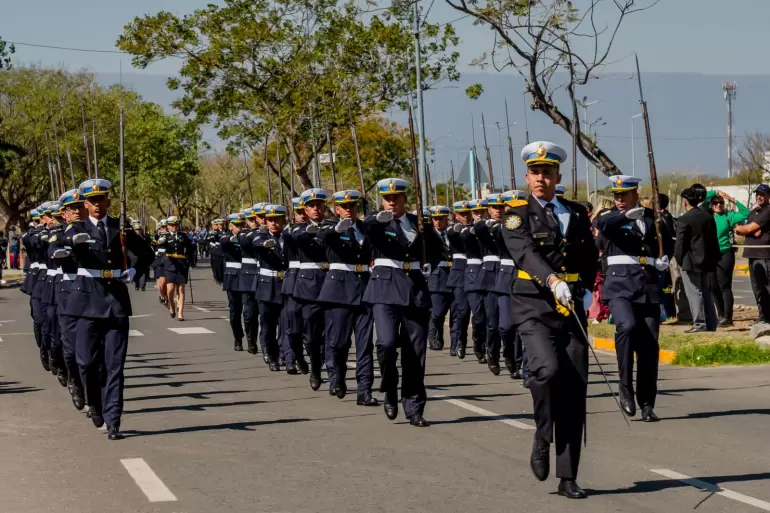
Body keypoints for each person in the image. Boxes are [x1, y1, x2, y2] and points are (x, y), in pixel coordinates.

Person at [501, 141, 598, 499]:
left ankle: (568, 476)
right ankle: (543, 435)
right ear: (527, 177)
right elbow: (525, 253)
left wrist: (587, 289)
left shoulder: (576, 212)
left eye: (547, 172)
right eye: (535, 172)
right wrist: (554, 281)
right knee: (546, 371)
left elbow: (589, 254)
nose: (541, 178)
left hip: (570, 308)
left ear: (558, 177)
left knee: (574, 390)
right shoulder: (516, 215)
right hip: (534, 304)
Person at [63, 178, 153, 440]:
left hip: (115, 300)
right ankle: (95, 403)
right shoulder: (75, 229)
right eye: (92, 201)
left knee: (115, 366)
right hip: (87, 302)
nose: (97, 205)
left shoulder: (120, 228)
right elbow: (61, 248)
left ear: (108, 201)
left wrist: (134, 270)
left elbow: (146, 253)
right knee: (85, 362)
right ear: (85, 204)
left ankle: (113, 420)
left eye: (101, 199)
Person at [595, 175, 672, 422]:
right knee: (626, 326)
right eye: (616, 195)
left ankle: (647, 403)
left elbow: (667, 240)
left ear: (635, 194)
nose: (619, 199)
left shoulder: (652, 217)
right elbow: (603, 225)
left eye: (624, 195)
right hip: (619, 286)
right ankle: (624, 385)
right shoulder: (609, 217)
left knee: (649, 347)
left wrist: (664, 259)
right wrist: (626, 216)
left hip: (647, 286)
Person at [363, 178, 430, 427]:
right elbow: (366, 228)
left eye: (396, 197)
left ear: (404, 198)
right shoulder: (376, 222)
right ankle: (390, 386)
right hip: (385, 289)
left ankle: (414, 408)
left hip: (415, 290)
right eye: (387, 198)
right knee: (386, 343)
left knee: (415, 354)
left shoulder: (417, 222)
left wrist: (429, 265)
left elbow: (436, 248)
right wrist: (376, 220)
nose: (391, 202)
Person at [317, 190, 378, 405]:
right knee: (339, 342)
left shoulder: (365, 228)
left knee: (365, 345)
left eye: (352, 206)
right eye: (344, 207)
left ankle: (364, 390)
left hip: (364, 289)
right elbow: (324, 237)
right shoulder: (330, 227)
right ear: (337, 209)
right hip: (339, 292)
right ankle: (337, 376)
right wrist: (337, 229)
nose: (349, 210)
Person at [289, 188, 335, 391]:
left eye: (319, 205)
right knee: (312, 335)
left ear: (324, 207)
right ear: (305, 210)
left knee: (334, 334)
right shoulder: (297, 230)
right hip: (309, 287)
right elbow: (297, 238)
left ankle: (334, 375)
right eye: (311, 206)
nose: (316, 209)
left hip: (332, 283)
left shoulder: (333, 226)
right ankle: (316, 368)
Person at [675, 186, 720, 333]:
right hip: (707, 260)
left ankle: (700, 323)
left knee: (694, 292)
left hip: (690, 261)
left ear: (685, 202)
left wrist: (680, 259)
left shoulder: (684, 219)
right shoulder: (708, 216)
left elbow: (680, 244)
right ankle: (711, 322)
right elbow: (713, 240)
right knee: (706, 292)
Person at [701, 190, 749, 326]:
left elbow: (746, 213)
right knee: (713, 286)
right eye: (715, 203)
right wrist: (715, 192)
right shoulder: (707, 215)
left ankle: (728, 317)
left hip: (725, 253)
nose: (718, 205)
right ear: (711, 204)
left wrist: (731, 199)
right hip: (711, 255)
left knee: (724, 285)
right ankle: (721, 314)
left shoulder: (729, 216)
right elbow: (702, 201)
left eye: (721, 202)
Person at [252, 204, 289, 372]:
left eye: (277, 219)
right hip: (267, 287)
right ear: (266, 222)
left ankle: (284, 355)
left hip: (285, 285)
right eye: (270, 220)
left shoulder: (288, 236)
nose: (274, 223)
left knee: (286, 324)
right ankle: (272, 355)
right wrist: (266, 244)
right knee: (268, 326)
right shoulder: (260, 236)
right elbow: (257, 244)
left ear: (283, 220)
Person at [736, 184, 770, 325]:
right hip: (752, 254)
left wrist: (748, 230)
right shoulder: (754, 211)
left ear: (768, 196)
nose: (759, 197)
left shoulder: (768, 211)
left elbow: (748, 228)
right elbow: (740, 226)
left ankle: (768, 318)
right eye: (757, 194)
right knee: (757, 289)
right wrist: (746, 229)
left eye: (762, 194)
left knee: (766, 287)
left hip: (764, 255)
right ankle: (762, 317)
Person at [446, 201, 473, 357]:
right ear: (456, 216)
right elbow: (451, 233)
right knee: (460, 311)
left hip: (475, 274)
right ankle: (456, 342)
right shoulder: (453, 230)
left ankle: (475, 343)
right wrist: (459, 228)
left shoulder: (477, 228)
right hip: (459, 275)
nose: (465, 217)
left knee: (475, 313)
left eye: (467, 213)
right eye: (462, 214)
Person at [425, 206, 452, 352]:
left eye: (441, 219)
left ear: (447, 219)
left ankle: (445, 338)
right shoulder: (429, 236)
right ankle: (433, 338)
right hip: (436, 276)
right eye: (435, 219)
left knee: (450, 311)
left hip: (452, 275)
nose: (438, 222)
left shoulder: (452, 233)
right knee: (436, 312)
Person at [159, 216, 193, 321]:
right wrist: (162, 240)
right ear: (168, 226)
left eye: (176, 225)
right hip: (170, 264)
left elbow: (190, 248)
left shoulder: (183, 236)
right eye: (172, 225)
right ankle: (172, 306)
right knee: (170, 289)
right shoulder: (165, 236)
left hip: (181, 264)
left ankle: (180, 313)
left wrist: (190, 260)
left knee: (181, 289)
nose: (174, 227)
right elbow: (159, 244)